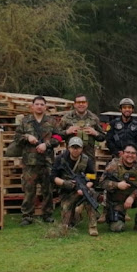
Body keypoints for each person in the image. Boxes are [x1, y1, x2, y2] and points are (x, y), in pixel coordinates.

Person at [14, 96, 62, 225]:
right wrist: (27, 137)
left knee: (48, 190)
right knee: (29, 190)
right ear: (32, 106)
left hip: (47, 161)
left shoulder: (52, 121)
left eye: (42, 104)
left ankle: (47, 214)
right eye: (37, 104)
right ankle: (27, 215)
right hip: (30, 162)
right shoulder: (25, 121)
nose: (39, 106)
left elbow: (58, 137)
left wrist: (47, 144)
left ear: (45, 107)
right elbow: (17, 138)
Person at [50, 137, 99, 237]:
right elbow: (52, 177)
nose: (75, 150)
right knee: (66, 222)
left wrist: (85, 187)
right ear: (69, 148)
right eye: (73, 147)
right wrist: (64, 183)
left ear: (82, 149)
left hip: (82, 190)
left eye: (78, 148)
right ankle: (76, 215)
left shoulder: (86, 160)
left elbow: (93, 178)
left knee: (90, 195)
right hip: (67, 192)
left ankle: (93, 226)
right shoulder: (61, 159)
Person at [100, 144, 137, 234]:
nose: (130, 155)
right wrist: (117, 185)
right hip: (116, 202)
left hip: (132, 199)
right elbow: (102, 183)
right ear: (123, 153)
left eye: (133, 153)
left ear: (136, 155)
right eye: (128, 152)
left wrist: (132, 197)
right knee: (117, 228)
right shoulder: (113, 165)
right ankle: (115, 216)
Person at [58, 94, 106, 161]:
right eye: (78, 102)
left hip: (89, 157)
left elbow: (103, 137)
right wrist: (67, 132)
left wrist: (95, 133)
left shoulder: (94, 118)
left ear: (87, 104)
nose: (81, 104)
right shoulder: (66, 118)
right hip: (70, 157)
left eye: (83, 102)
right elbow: (56, 136)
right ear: (74, 104)